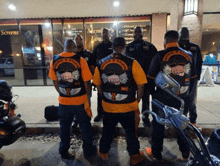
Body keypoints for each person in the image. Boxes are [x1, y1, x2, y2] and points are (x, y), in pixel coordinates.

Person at [93, 37, 147, 165]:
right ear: (124, 47)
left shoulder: (101, 63)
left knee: (107, 130)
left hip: (108, 106)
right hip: (128, 106)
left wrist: (105, 98)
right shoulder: (132, 62)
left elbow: (98, 85)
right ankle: (134, 156)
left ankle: (103, 153)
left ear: (112, 47)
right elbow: (141, 85)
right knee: (131, 133)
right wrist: (137, 100)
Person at [145, 30, 196, 162]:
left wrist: (153, 95)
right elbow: (194, 79)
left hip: (162, 99)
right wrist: (187, 95)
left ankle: (156, 154)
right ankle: (185, 154)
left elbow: (150, 78)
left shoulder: (160, 55)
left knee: (158, 125)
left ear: (165, 41)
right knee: (181, 125)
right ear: (177, 40)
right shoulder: (189, 55)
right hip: (181, 99)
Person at [48, 39, 97, 160]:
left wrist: (62, 93)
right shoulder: (80, 60)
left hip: (63, 102)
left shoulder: (54, 60)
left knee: (64, 128)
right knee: (85, 127)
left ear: (64, 48)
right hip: (80, 101)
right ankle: (88, 152)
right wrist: (87, 96)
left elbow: (55, 81)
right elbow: (87, 82)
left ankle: (63, 151)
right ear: (74, 47)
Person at [126, 26, 158, 127]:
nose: (138, 34)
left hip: (146, 79)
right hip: (131, 79)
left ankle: (145, 117)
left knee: (145, 99)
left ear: (143, 34)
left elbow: (156, 62)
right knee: (130, 98)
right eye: (136, 32)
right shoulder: (128, 47)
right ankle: (130, 116)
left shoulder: (150, 46)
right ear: (133, 34)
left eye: (140, 32)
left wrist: (153, 76)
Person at [179, 27, 203, 129]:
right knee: (179, 99)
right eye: (182, 34)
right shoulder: (177, 47)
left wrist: (197, 76)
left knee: (191, 100)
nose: (184, 37)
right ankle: (180, 119)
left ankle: (193, 120)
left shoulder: (195, 47)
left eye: (186, 34)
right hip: (179, 78)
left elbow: (199, 62)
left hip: (192, 78)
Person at [90, 28, 113, 122]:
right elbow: (91, 61)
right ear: (101, 35)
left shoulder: (113, 45)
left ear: (109, 34)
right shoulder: (97, 47)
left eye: (106, 33)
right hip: (101, 75)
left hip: (112, 75)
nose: (105, 34)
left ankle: (111, 114)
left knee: (112, 94)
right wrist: (96, 74)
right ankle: (100, 113)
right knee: (100, 95)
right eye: (103, 33)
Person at [71, 35, 93, 130]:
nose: (79, 41)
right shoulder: (71, 55)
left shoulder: (88, 54)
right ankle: (75, 121)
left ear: (83, 41)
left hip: (86, 84)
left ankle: (87, 120)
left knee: (87, 101)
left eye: (80, 39)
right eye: (77, 39)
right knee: (75, 103)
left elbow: (93, 68)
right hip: (74, 84)